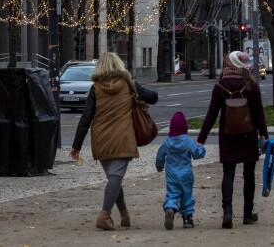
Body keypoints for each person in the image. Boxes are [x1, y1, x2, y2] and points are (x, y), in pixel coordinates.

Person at [70, 52, 159, 231]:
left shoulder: (95, 88)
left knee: (114, 178)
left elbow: (86, 118)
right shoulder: (129, 83)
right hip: (123, 138)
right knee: (115, 178)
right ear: (119, 65)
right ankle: (104, 215)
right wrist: (138, 93)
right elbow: (154, 97)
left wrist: (76, 146)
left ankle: (125, 215)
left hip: (100, 139)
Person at [197, 51, 268, 228]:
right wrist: (264, 136)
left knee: (228, 174)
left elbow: (211, 114)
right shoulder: (251, 84)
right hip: (248, 134)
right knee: (249, 174)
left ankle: (227, 212)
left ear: (230, 64)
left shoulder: (220, 85)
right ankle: (247, 214)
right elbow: (259, 113)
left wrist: (201, 139)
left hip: (228, 135)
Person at [156, 111, 206, 230]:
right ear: (185, 127)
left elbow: (160, 155)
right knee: (186, 195)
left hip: (172, 174)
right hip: (186, 174)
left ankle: (170, 208)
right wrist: (202, 148)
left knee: (172, 194)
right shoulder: (187, 141)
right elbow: (197, 153)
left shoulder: (167, 142)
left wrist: (159, 166)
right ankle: (187, 219)